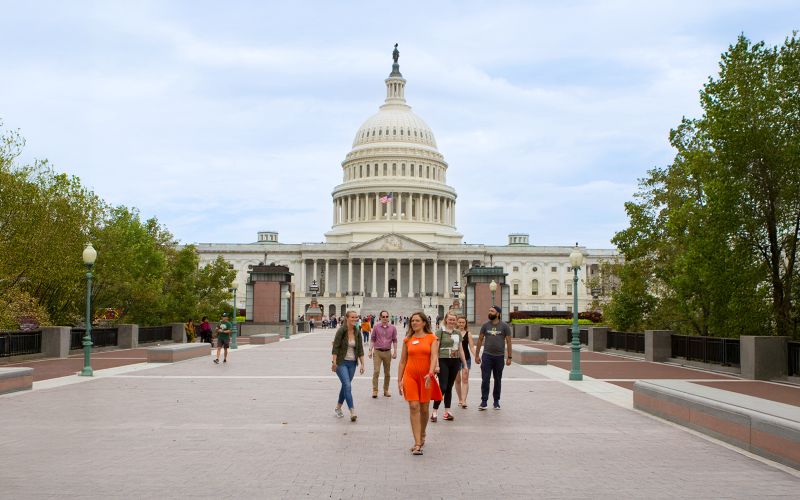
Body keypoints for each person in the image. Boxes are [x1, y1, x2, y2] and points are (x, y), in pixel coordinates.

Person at [398, 312, 441, 456]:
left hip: (425, 377)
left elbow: (434, 356)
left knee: (424, 408)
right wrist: (399, 380)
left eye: (417, 321)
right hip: (410, 376)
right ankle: (417, 443)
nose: (414, 323)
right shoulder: (407, 339)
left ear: (424, 323)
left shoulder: (432, 338)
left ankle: (422, 433)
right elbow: (403, 361)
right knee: (413, 406)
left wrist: (430, 373)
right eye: (412, 321)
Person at [431, 311, 467, 422]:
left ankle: (447, 411)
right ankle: (434, 411)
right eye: (450, 319)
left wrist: (464, 364)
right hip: (443, 360)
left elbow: (460, 349)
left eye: (453, 319)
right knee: (443, 387)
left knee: (450, 387)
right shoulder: (440, 331)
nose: (451, 321)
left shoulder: (457, 332)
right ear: (446, 319)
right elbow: (435, 350)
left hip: (455, 361)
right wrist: (436, 364)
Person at [474, 305, 512, 410]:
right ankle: (484, 401)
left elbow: (509, 341)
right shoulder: (485, 325)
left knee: (497, 380)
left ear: (498, 314)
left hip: (499, 357)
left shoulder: (505, 326)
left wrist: (509, 357)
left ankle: (496, 401)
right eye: (489, 310)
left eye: (492, 311)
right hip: (487, 356)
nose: (490, 312)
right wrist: (477, 355)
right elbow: (480, 340)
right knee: (485, 379)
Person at [331, 311, 365, 422]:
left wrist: (362, 364)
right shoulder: (341, 331)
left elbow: (360, 349)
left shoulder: (357, 331)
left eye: (356, 317)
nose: (354, 319)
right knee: (347, 385)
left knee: (346, 386)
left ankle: (338, 408)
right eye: (352, 317)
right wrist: (334, 362)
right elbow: (335, 347)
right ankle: (352, 411)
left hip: (352, 363)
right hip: (341, 362)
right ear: (347, 318)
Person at [369, 310, 398, 398]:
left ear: (388, 317)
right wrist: (370, 350)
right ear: (380, 317)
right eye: (383, 317)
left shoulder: (393, 328)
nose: (385, 318)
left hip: (387, 352)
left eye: (386, 316)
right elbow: (373, 339)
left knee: (387, 373)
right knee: (376, 371)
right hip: (377, 351)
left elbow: (394, 340)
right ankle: (375, 390)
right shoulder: (376, 327)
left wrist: (395, 351)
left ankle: (386, 390)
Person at [454, 315, 475, 408]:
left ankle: (464, 400)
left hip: (466, 359)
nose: (461, 324)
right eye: (460, 322)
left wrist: (476, 356)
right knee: (457, 380)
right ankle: (460, 399)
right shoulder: (453, 333)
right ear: (457, 323)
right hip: (455, 359)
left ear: (465, 323)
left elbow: (471, 347)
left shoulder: (468, 334)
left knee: (465, 379)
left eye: (463, 322)